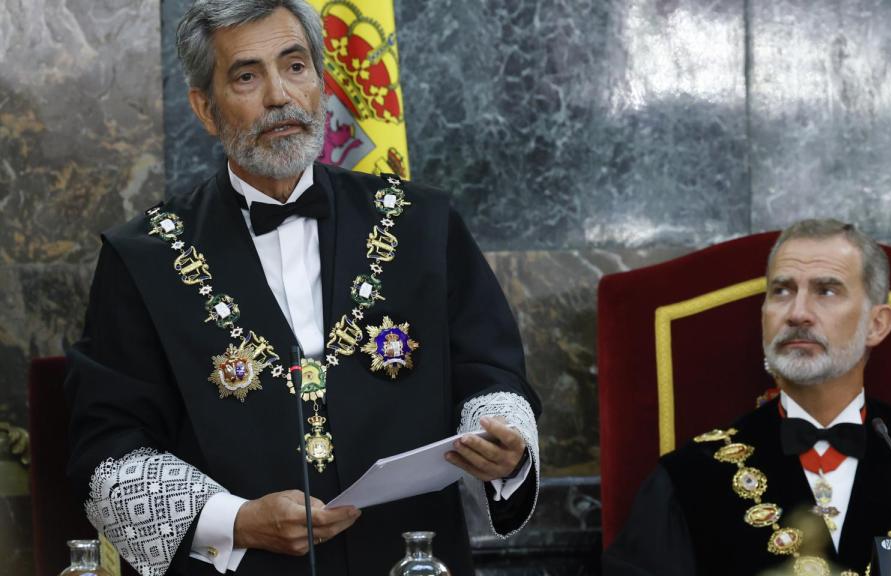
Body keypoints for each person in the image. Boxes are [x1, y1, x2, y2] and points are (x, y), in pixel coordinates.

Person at [64, 2, 541, 575]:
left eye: (295, 67)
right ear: (205, 109)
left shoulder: (422, 224)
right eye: (247, 76)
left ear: (319, 81)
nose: (279, 96)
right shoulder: (142, 258)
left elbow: (493, 375)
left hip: (412, 560)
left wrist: (505, 445)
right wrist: (234, 519)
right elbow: (107, 448)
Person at [603, 219, 891, 576]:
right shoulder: (691, 477)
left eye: (827, 291)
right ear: (764, 317)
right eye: (782, 291)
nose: (797, 313)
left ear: (876, 324)